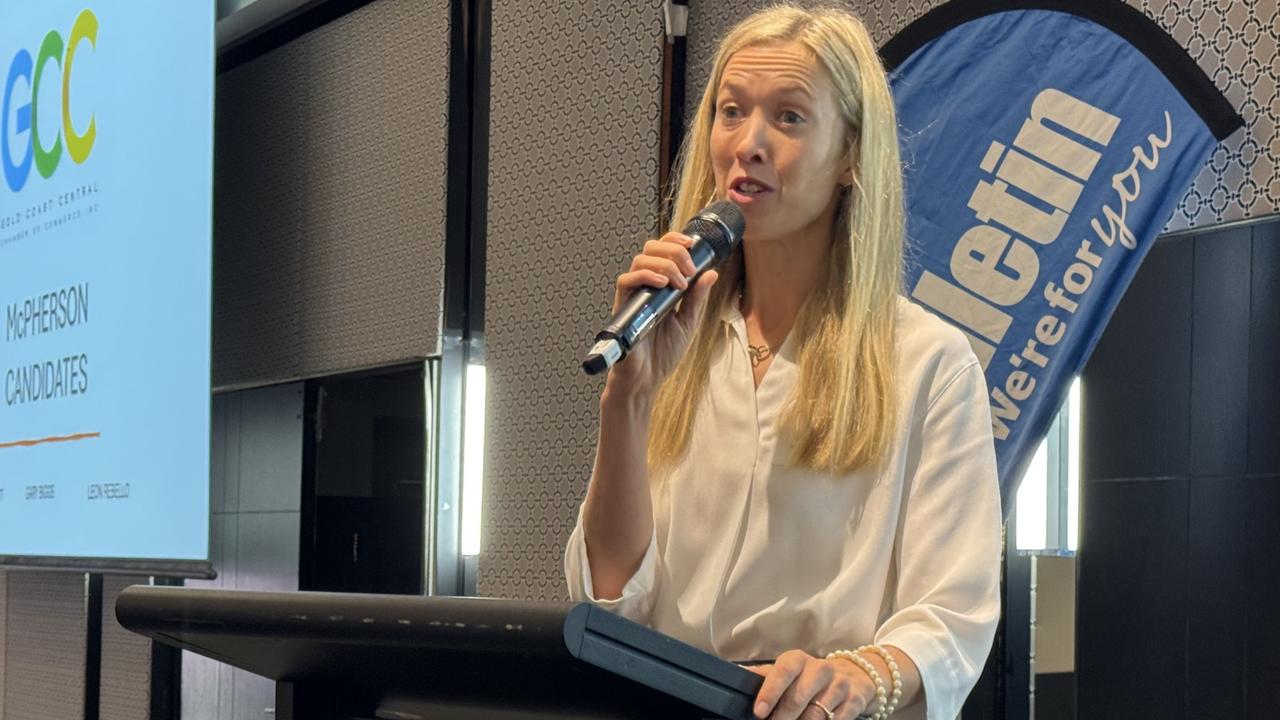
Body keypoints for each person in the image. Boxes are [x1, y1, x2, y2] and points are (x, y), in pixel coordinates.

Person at [564, 5, 1002, 719]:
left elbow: (952, 616)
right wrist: (628, 400)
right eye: (731, 112)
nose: (749, 144)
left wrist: (861, 676)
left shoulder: (928, 363)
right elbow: (612, 597)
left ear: (852, 155)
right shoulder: (672, 342)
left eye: (790, 118)